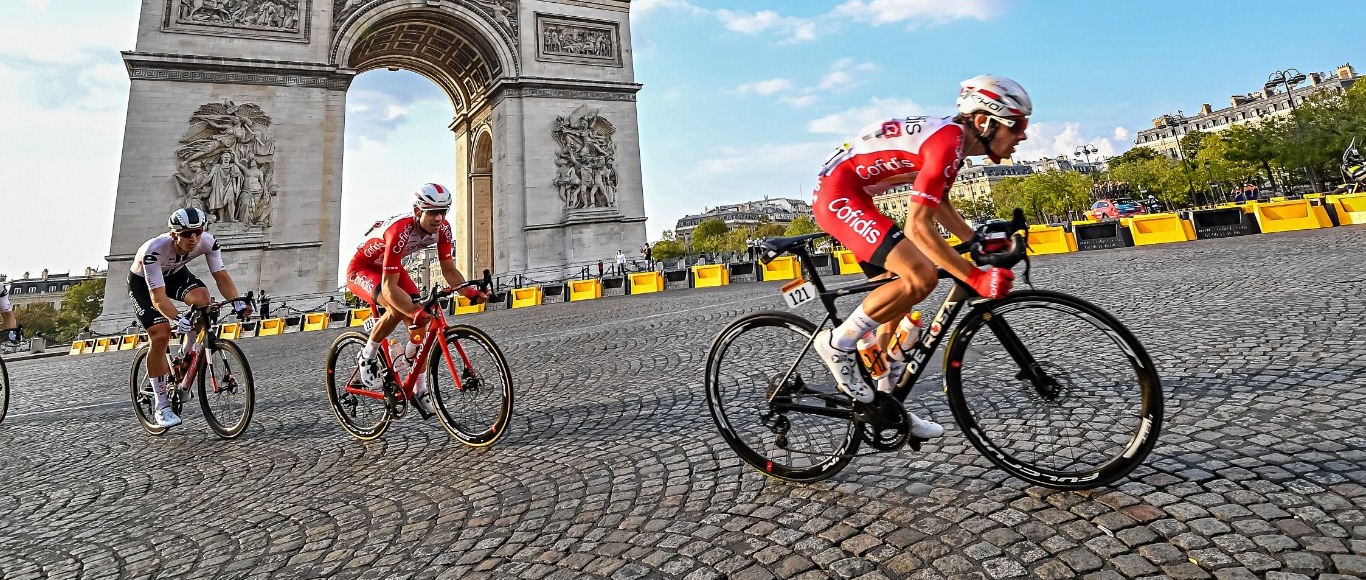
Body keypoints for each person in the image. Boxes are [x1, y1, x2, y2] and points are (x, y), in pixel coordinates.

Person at [810, 74, 1030, 439]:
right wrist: (974, 277)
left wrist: (975, 240)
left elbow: (938, 202)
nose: (1023, 134)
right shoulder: (947, 143)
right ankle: (837, 343)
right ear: (984, 122)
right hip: (838, 194)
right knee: (920, 276)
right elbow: (918, 226)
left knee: (898, 299)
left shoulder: (955, 144)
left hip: (859, 196)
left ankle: (887, 406)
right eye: (1017, 124)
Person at [346, 183, 487, 414]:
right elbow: (389, 289)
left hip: (390, 268)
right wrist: (413, 311)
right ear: (418, 211)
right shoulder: (399, 230)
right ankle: (367, 356)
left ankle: (419, 388)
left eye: (444, 211)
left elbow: (449, 270)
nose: (439, 218)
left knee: (419, 327)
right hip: (363, 269)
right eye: (432, 212)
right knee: (397, 309)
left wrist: (468, 291)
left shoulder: (443, 229)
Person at [129, 208, 254, 428]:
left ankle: (185, 356)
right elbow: (158, 297)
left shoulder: (207, 241)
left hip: (175, 274)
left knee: (203, 300)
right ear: (173, 234)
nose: (193, 238)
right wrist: (176, 318)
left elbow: (221, 277)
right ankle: (162, 406)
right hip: (143, 282)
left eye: (197, 231)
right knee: (161, 333)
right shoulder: (154, 250)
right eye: (187, 234)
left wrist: (237, 302)